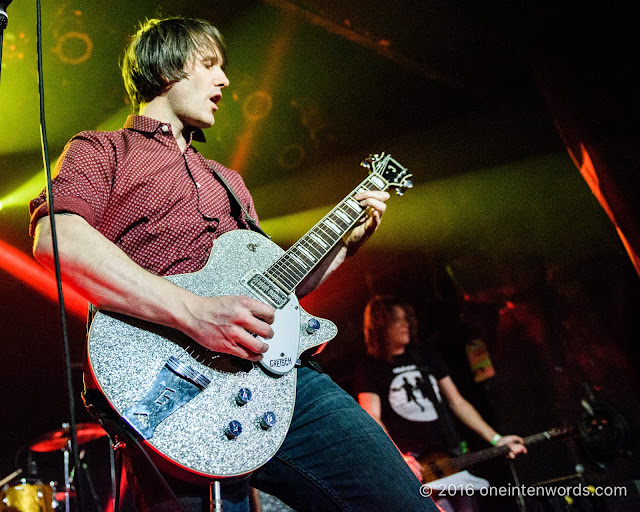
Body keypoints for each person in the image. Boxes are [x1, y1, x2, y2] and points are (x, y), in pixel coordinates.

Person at [28, 16, 439, 512]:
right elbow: (58, 241)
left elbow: (280, 291)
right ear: (166, 69)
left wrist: (344, 245)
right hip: (173, 390)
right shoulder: (100, 149)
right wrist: (194, 313)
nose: (224, 81)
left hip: (283, 382)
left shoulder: (229, 180)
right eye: (209, 65)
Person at [354, 295, 527, 512]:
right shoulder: (369, 369)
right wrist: (399, 459)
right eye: (398, 320)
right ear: (381, 326)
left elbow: (457, 402)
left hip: (451, 457)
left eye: (406, 318)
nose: (406, 324)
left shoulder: (425, 356)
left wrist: (496, 438)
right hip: (417, 467)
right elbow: (372, 419)